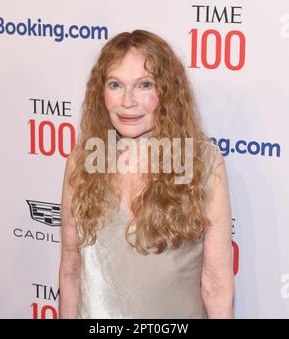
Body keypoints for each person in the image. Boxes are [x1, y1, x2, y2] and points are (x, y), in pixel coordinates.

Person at [59, 30, 234, 319]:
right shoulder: (83, 162)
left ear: (167, 91)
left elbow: (216, 284)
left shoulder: (201, 162)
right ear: (100, 92)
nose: (127, 101)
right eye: (115, 84)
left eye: (143, 85)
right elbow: (71, 268)